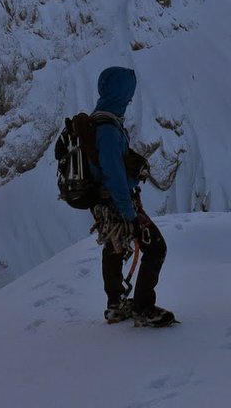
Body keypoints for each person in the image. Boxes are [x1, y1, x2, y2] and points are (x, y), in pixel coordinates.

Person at [88, 65, 174, 327]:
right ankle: (143, 307)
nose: (130, 99)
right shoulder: (108, 130)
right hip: (118, 204)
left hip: (104, 204)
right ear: (120, 92)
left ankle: (115, 305)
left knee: (114, 247)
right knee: (156, 247)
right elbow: (114, 176)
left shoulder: (98, 121)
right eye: (128, 93)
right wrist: (130, 212)